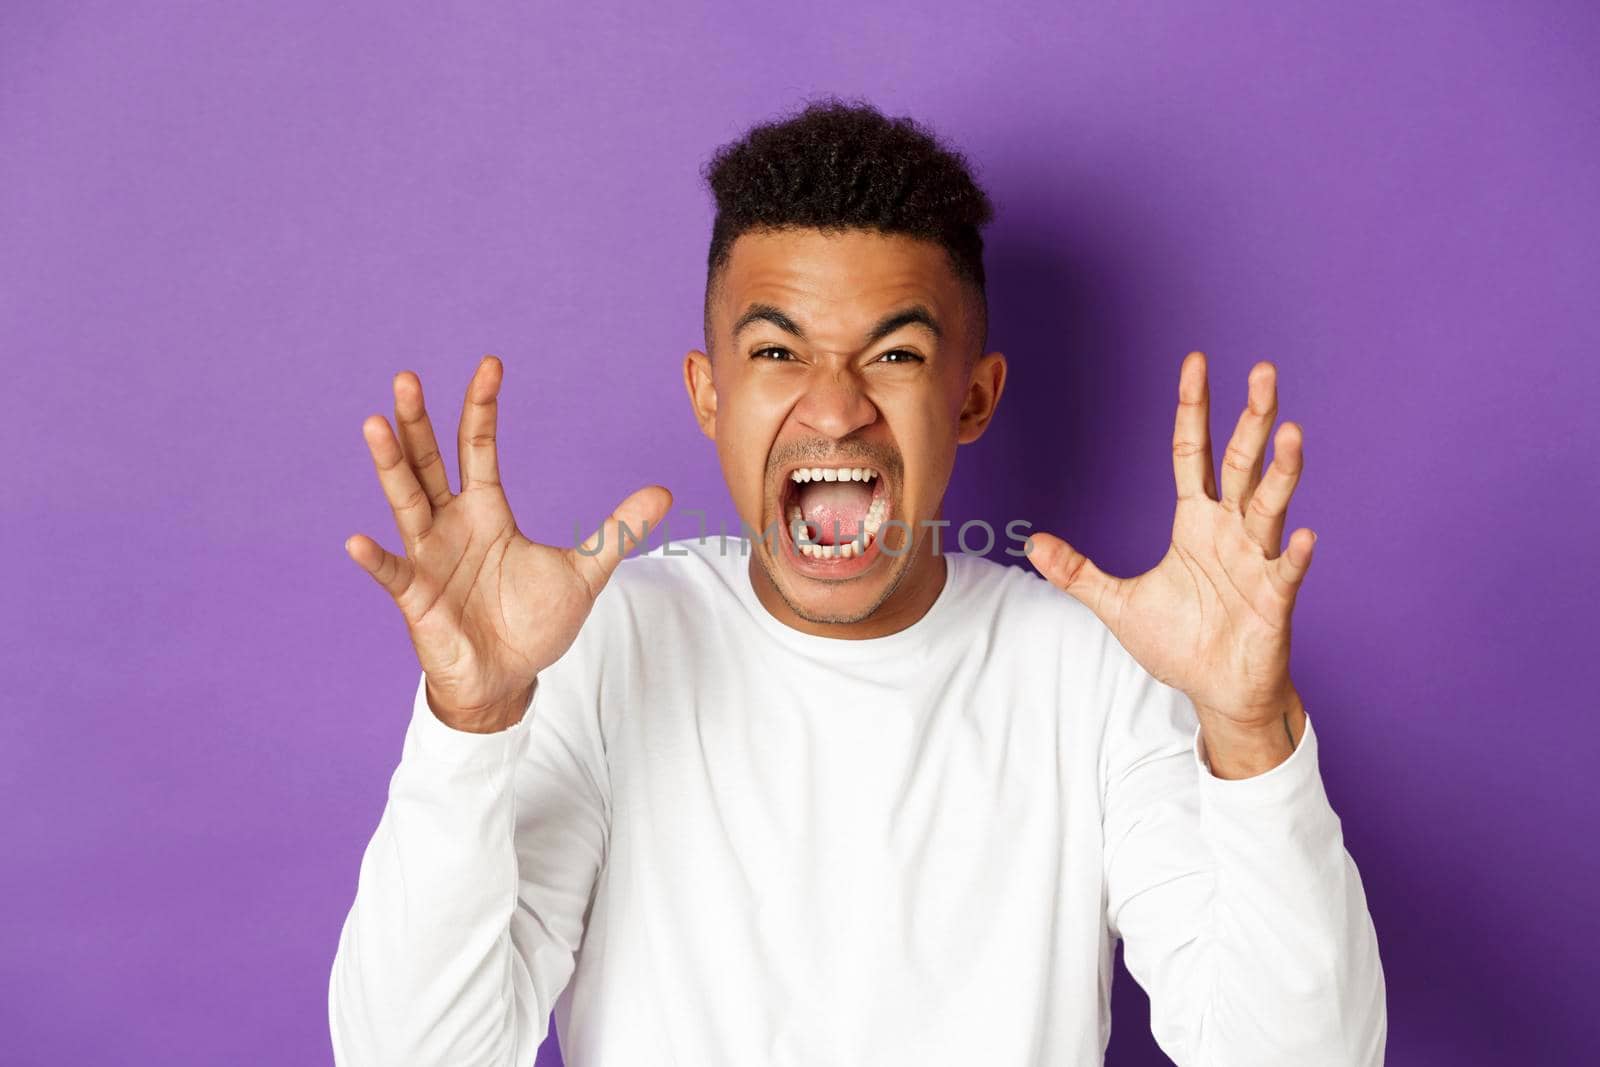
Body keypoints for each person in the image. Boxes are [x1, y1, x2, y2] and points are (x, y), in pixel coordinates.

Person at [327, 97, 1386, 1066]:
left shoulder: (1093, 673)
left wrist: (1250, 739)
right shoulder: (606, 648)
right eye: (779, 352)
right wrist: (471, 724)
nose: (834, 410)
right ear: (709, 391)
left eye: (894, 356)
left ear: (972, 398)